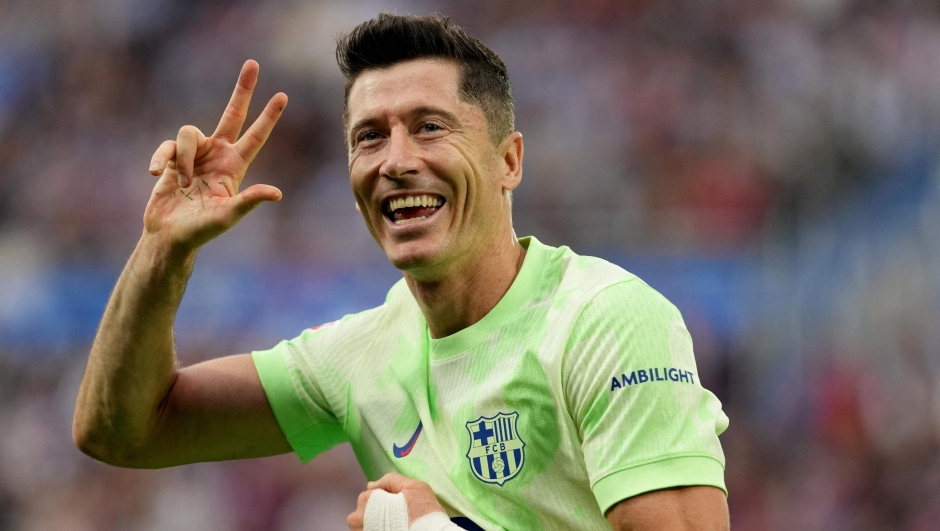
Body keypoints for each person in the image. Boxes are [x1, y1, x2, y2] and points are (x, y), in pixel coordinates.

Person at [72, 13, 730, 531]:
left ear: (509, 160)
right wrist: (162, 253)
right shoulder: (358, 353)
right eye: (370, 136)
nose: (396, 159)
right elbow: (122, 429)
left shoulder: (604, 320)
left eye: (429, 126)